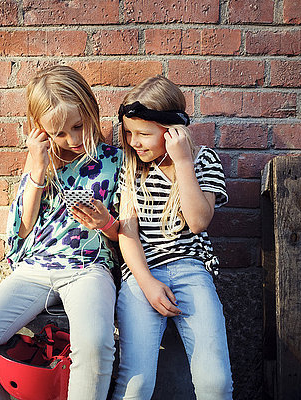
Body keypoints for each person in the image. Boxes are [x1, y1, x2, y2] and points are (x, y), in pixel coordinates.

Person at [0, 65, 123, 400]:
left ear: (91, 109)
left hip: (88, 267)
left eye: (78, 126)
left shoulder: (117, 161)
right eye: (60, 133)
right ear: (41, 131)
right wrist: (37, 164)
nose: (73, 139)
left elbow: (127, 234)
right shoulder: (40, 163)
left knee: (94, 347)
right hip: (36, 269)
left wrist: (104, 221)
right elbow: (24, 226)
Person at [112, 75, 233, 400]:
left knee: (215, 383)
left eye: (143, 134)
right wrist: (148, 283)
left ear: (173, 131)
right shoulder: (131, 168)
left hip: (191, 273)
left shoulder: (201, 161)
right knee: (135, 385)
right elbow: (127, 234)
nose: (134, 141)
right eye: (129, 132)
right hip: (141, 277)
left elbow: (197, 221)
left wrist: (182, 161)